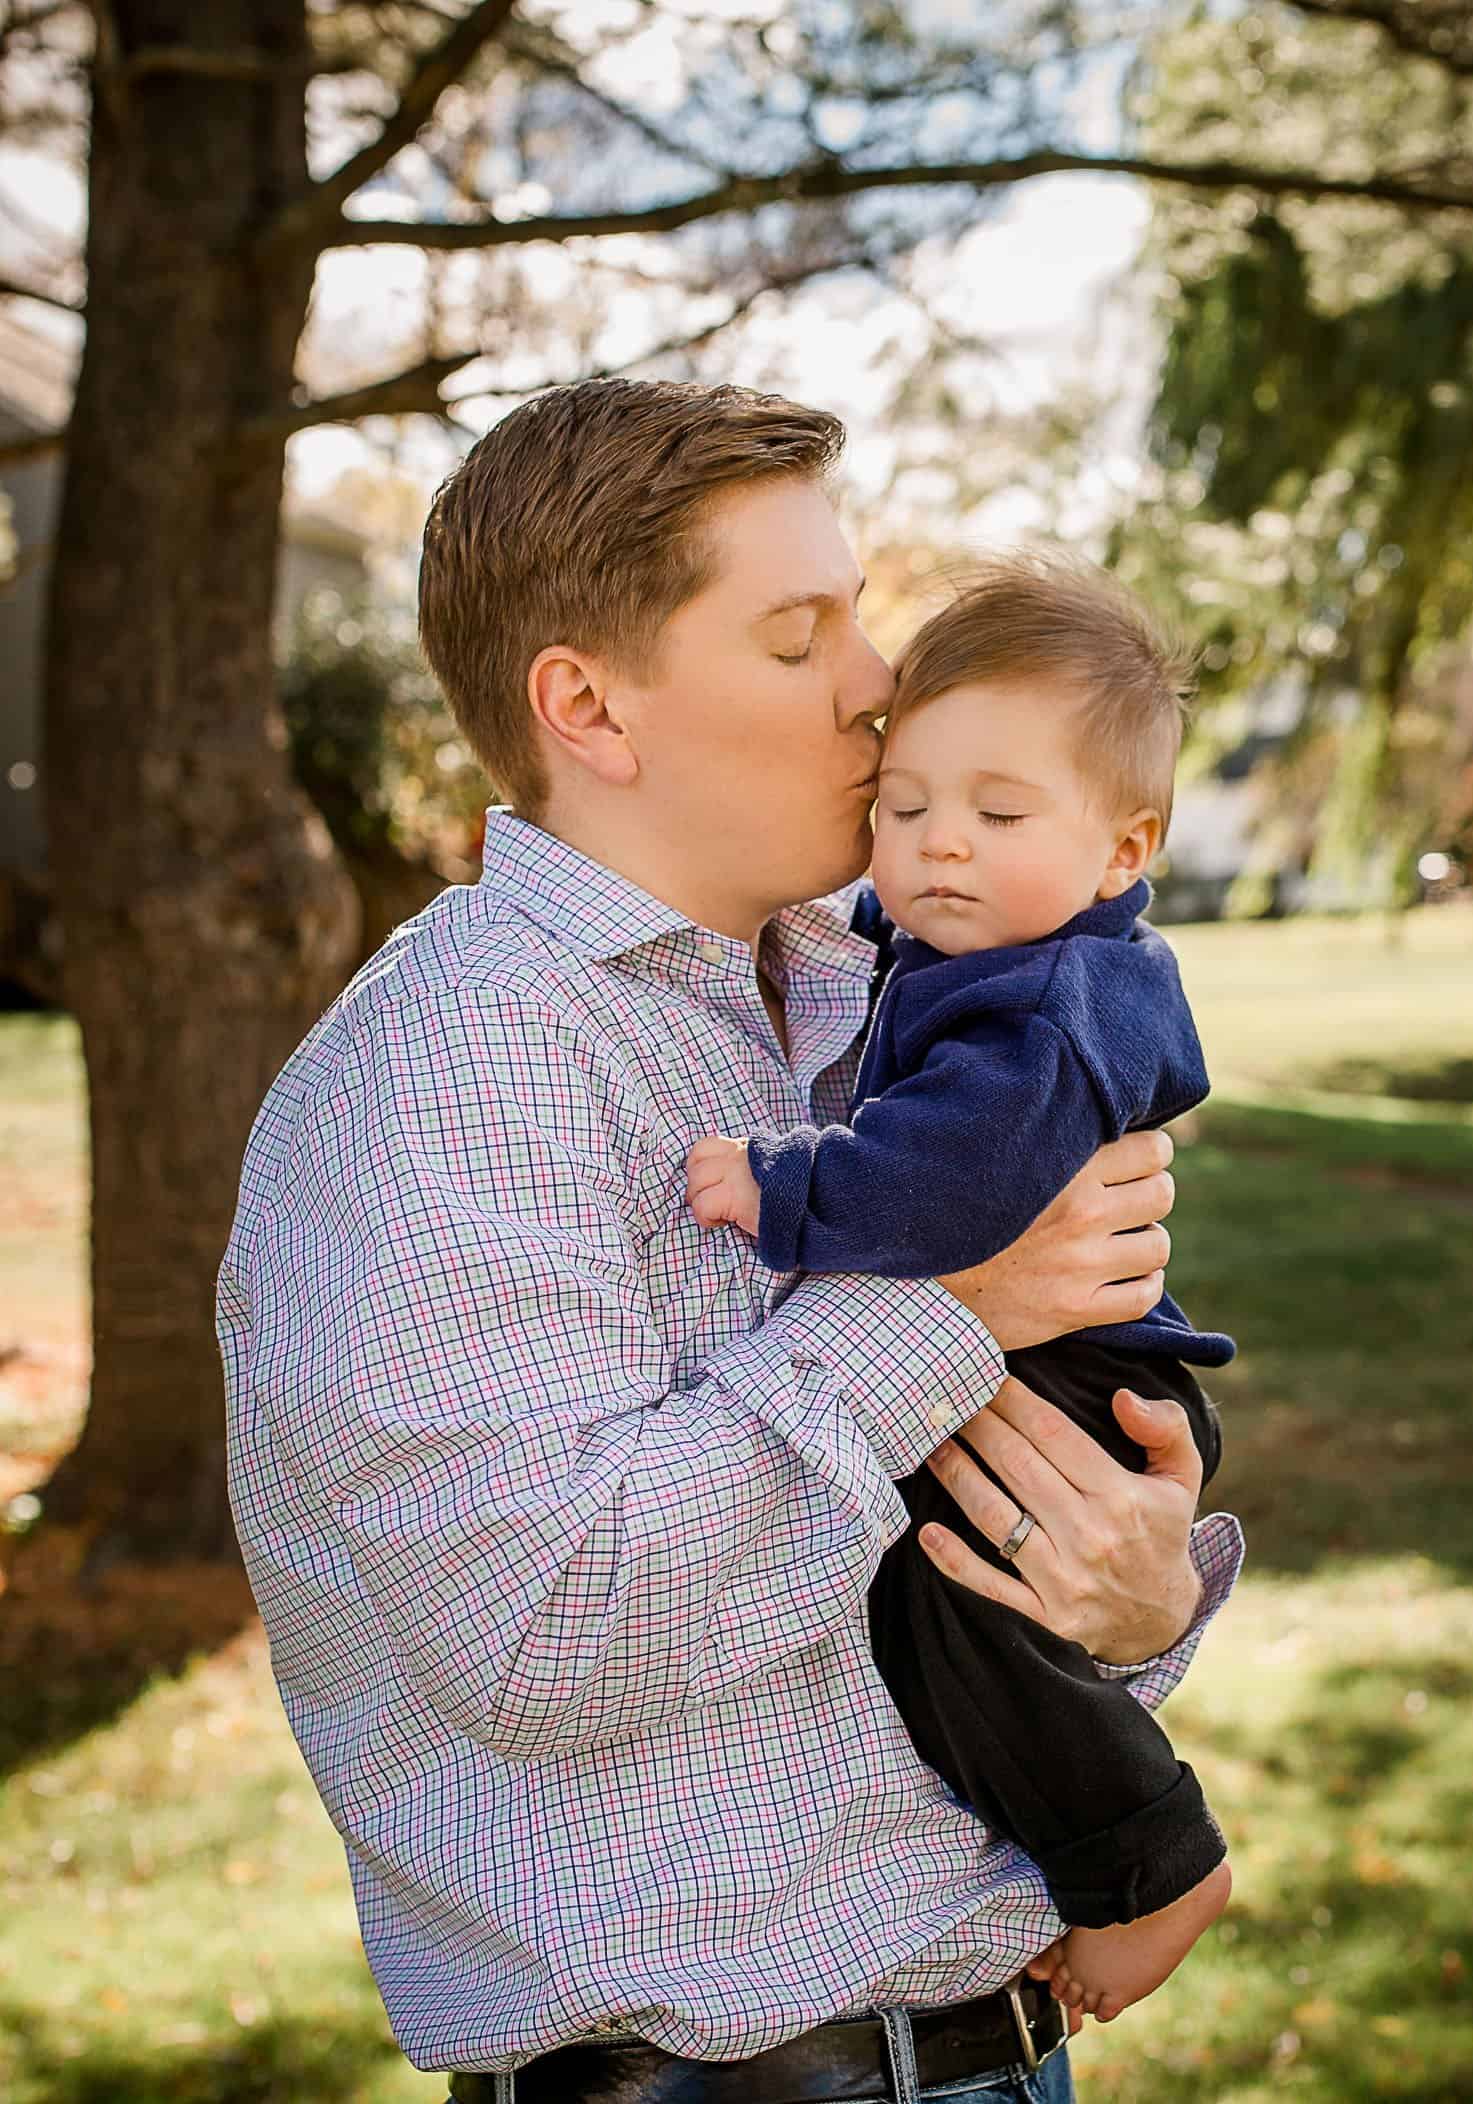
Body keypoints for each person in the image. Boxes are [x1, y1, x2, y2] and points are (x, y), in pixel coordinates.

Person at [217, 379, 1244, 2104]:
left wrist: (1136, 1600)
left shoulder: (875, 992)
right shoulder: (453, 1068)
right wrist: (951, 1306)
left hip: (1001, 2047)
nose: (875, 682)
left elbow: (899, 1582)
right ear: (590, 706)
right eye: (799, 638)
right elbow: (541, 1631)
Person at [687, 551, 1238, 2024]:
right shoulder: (977, 942)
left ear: (1124, 854)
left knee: (949, 1611)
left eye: (998, 815)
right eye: (906, 806)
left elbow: (950, 1183)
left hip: (1073, 1372)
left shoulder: (1053, 1009)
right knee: (943, 1604)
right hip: (1048, 1353)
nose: (938, 848)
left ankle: (1150, 1859)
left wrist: (781, 1184)